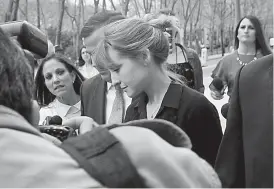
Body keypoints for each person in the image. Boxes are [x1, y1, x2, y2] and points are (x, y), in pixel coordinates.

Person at [94, 18, 223, 166]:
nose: (114, 80)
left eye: (117, 69)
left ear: (144, 56)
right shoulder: (133, 111)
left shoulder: (196, 108)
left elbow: (216, 175)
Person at [214, 54, 273, 188]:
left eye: (251, 30)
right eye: (243, 30)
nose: (246, 31)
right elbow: (231, 168)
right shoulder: (251, 76)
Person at [79, 11, 132, 124]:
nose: (93, 63)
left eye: (98, 52)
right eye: (90, 54)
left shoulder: (155, 88)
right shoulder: (87, 89)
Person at [210, 15, 272, 100]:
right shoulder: (227, 61)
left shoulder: (268, 59)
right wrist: (216, 94)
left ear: (257, 33)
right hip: (235, 111)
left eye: (251, 28)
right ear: (237, 33)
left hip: (264, 110)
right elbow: (216, 90)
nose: (246, 31)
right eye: (243, 27)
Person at [145, 10, 204, 93]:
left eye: (172, 29)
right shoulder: (150, 59)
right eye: (164, 28)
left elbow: (199, 88)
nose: (168, 35)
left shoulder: (191, 56)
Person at [35, 54, 85, 124]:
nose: (55, 80)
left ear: (72, 76)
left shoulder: (93, 103)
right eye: (49, 77)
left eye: (60, 72)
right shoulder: (45, 114)